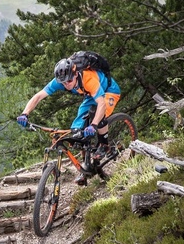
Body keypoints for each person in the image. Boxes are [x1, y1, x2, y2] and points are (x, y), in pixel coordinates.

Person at [15, 56, 122, 185]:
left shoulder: (88, 78)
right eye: (63, 83)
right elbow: (38, 96)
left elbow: (101, 104)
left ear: (76, 74)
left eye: (69, 81)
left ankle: (104, 145)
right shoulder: (61, 80)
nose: (67, 85)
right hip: (91, 95)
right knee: (77, 130)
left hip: (109, 91)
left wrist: (93, 125)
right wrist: (25, 113)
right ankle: (86, 168)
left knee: (98, 116)